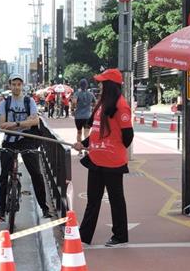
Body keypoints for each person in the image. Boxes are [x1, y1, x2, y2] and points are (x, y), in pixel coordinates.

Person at [71, 69, 133, 247]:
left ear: (110, 85)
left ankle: (120, 236)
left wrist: (113, 148)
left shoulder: (121, 105)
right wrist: (83, 143)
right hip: (96, 159)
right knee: (93, 199)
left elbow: (128, 135)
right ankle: (84, 237)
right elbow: (96, 131)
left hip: (112, 161)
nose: (99, 85)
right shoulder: (101, 104)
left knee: (116, 199)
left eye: (102, 82)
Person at [0, 74, 52, 222]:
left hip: (27, 140)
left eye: (19, 84)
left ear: (22, 85)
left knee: (36, 174)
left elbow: (34, 121)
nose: (16, 87)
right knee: (3, 176)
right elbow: (2, 125)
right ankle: (1, 210)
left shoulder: (29, 101)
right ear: (10, 85)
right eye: (13, 84)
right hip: (9, 141)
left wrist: (16, 124)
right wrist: (24, 122)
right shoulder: (5, 103)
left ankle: (44, 208)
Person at [72, 79, 96, 145]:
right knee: (86, 133)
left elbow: (74, 102)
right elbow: (95, 103)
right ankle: (86, 148)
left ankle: (79, 149)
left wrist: (72, 109)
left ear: (80, 85)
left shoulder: (77, 93)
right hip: (88, 116)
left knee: (79, 132)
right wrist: (92, 108)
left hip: (78, 116)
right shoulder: (91, 94)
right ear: (87, 85)